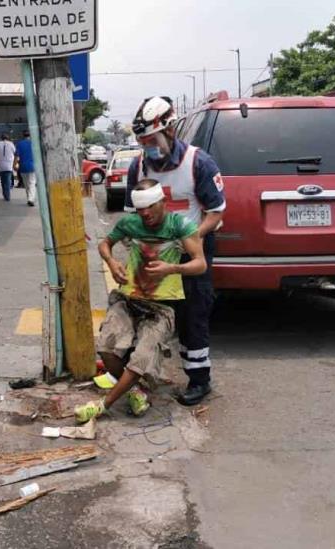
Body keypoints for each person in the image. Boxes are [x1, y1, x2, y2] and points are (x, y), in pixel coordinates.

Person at [74, 179, 207, 423]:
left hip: (161, 307)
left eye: (150, 207)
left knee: (141, 358)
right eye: (140, 209)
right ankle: (136, 390)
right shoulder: (130, 224)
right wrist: (112, 263)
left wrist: (172, 268)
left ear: (162, 202)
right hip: (128, 299)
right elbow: (105, 244)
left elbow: (200, 263)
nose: (145, 213)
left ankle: (103, 405)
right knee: (106, 348)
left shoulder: (180, 225)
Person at [126, 96, 226, 406]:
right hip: (154, 254)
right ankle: (142, 376)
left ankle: (199, 380)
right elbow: (131, 212)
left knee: (192, 315)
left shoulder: (199, 163)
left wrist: (194, 235)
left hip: (189, 253)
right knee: (146, 315)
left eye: (151, 140)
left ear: (169, 132)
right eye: (142, 141)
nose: (147, 147)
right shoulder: (139, 166)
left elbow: (216, 212)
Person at [16, 130, 37, 207]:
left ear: (23, 135)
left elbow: (16, 156)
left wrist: (14, 165)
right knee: (32, 183)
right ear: (30, 135)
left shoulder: (19, 144)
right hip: (32, 166)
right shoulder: (34, 143)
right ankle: (30, 199)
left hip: (23, 166)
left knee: (26, 184)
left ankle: (29, 198)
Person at [0, 133, 16, 202]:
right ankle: (7, 196)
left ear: (1, 138)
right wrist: (15, 164)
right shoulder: (11, 144)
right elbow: (15, 153)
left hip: (1, 166)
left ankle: (5, 194)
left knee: (3, 181)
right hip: (9, 165)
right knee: (7, 181)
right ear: (8, 138)